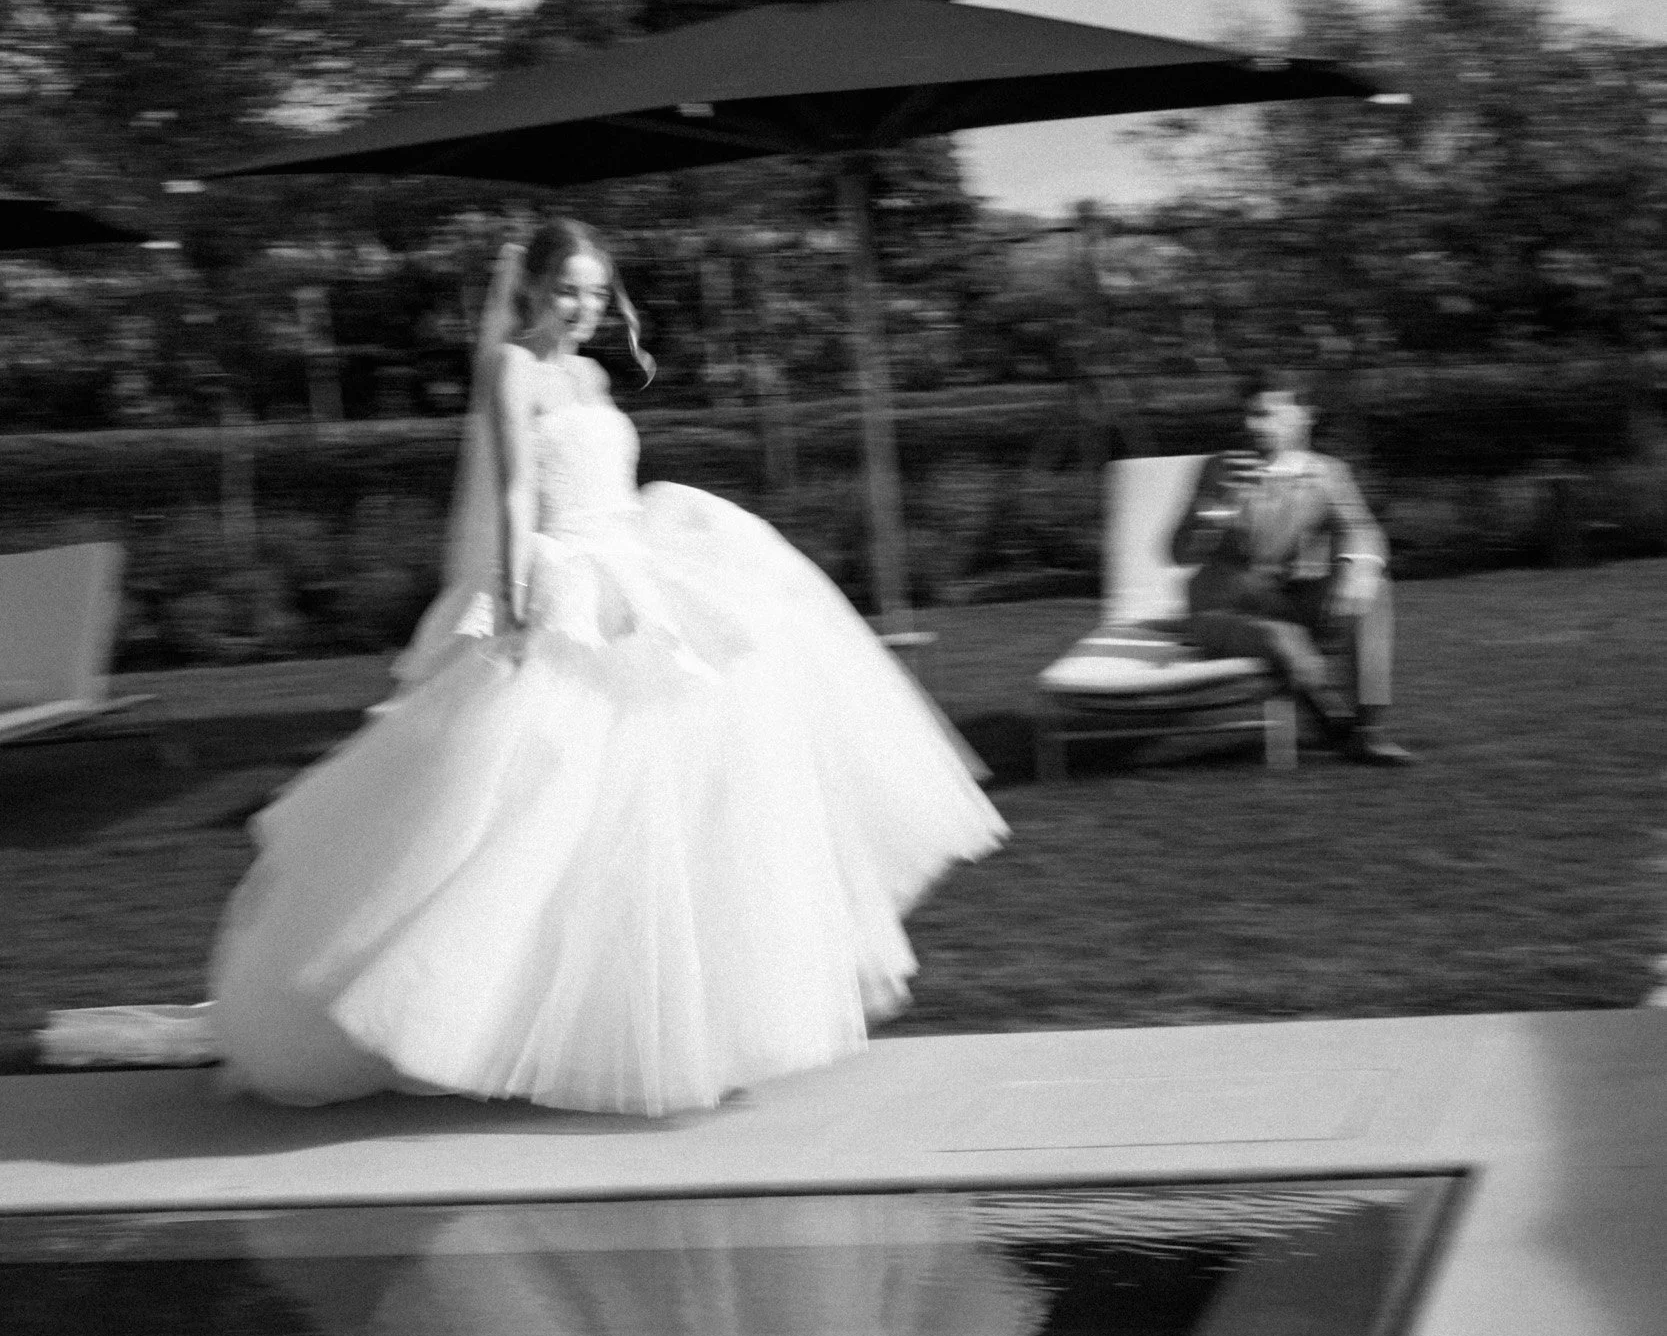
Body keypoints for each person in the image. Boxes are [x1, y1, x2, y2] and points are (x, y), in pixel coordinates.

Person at [205, 221, 1007, 1116]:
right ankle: (470, 1015)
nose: (583, 310)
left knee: (679, 791)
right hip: (561, 590)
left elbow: (611, 492)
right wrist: (512, 608)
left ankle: (692, 1020)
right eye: (567, 292)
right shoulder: (511, 367)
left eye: (595, 294)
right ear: (532, 290)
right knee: (534, 798)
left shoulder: (589, 375)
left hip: (635, 577)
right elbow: (514, 492)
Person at [1171, 370, 1414, 765]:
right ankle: (1331, 717)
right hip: (1219, 611)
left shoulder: (1327, 473)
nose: (1252, 425)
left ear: (1304, 415)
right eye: (1249, 414)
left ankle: (1370, 731)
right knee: (1284, 640)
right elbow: (1178, 555)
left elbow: (1361, 528)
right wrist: (1213, 508)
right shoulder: (1219, 470)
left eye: (1266, 414)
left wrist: (1360, 569)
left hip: (1285, 598)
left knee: (1375, 590)